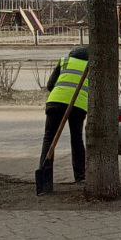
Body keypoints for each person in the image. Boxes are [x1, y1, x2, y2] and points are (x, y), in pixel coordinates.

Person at [42, 46, 89, 183]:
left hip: (55, 102)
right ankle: (80, 177)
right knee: (77, 140)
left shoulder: (64, 61)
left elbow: (50, 85)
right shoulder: (90, 66)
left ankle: (45, 178)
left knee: (49, 139)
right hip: (77, 106)